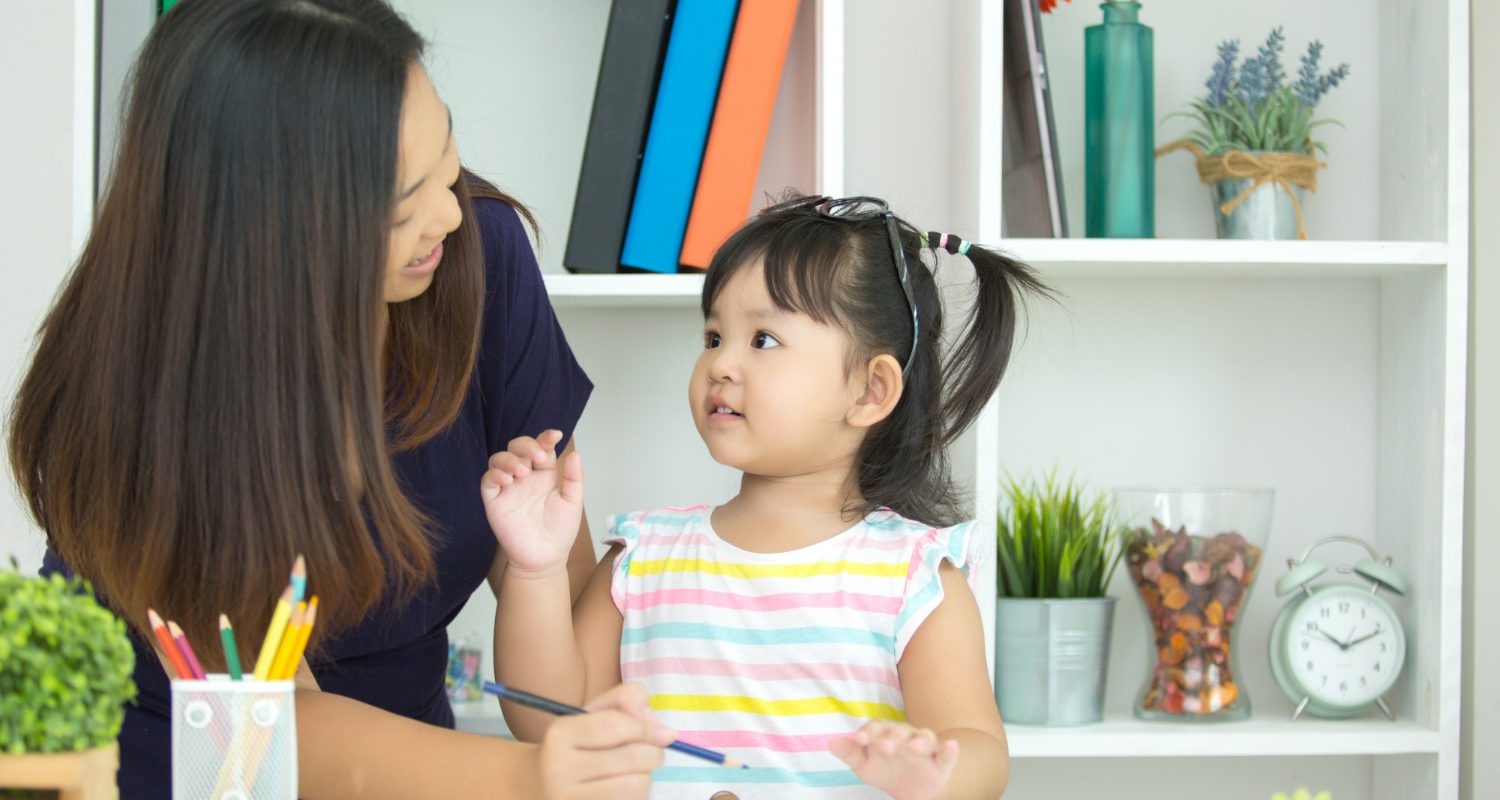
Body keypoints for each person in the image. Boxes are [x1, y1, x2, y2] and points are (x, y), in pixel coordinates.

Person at [7, 1, 670, 797]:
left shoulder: (471, 256)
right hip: (194, 770)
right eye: (402, 200)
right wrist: (529, 776)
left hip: (426, 768)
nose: (450, 212)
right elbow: (261, 731)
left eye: (446, 147)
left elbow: (557, 633)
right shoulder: (160, 386)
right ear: (274, 233)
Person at [485, 193, 1045, 798]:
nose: (721, 363)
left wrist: (937, 774)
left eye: (764, 341)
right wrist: (535, 569)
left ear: (869, 390)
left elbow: (983, 754)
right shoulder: (643, 558)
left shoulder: (915, 579)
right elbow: (548, 721)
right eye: (713, 335)